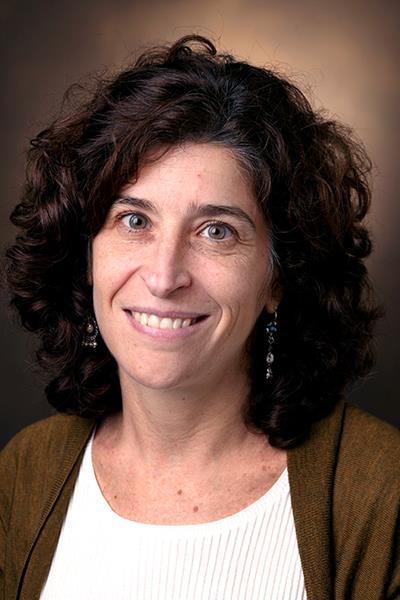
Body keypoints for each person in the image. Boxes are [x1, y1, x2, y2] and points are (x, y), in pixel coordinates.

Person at [0, 34, 399, 600]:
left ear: (279, 278)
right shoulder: (22, 472)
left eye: (216, 231)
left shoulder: (383, 492)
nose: (165, 277)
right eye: (134, 221)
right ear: (87, 255)